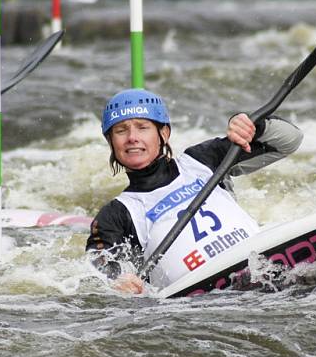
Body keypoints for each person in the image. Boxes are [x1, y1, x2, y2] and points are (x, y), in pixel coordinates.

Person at [86, 88, 303, 294]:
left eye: (143, 127)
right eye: (121, 130)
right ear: (111, 142)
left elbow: (290, 141)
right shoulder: (116, 214)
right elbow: (98, 269)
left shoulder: (202, 160)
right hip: (202, 300)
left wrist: (253, 125)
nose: (132, 137)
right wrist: (118, 280)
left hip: (263, 268)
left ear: (164, 133)